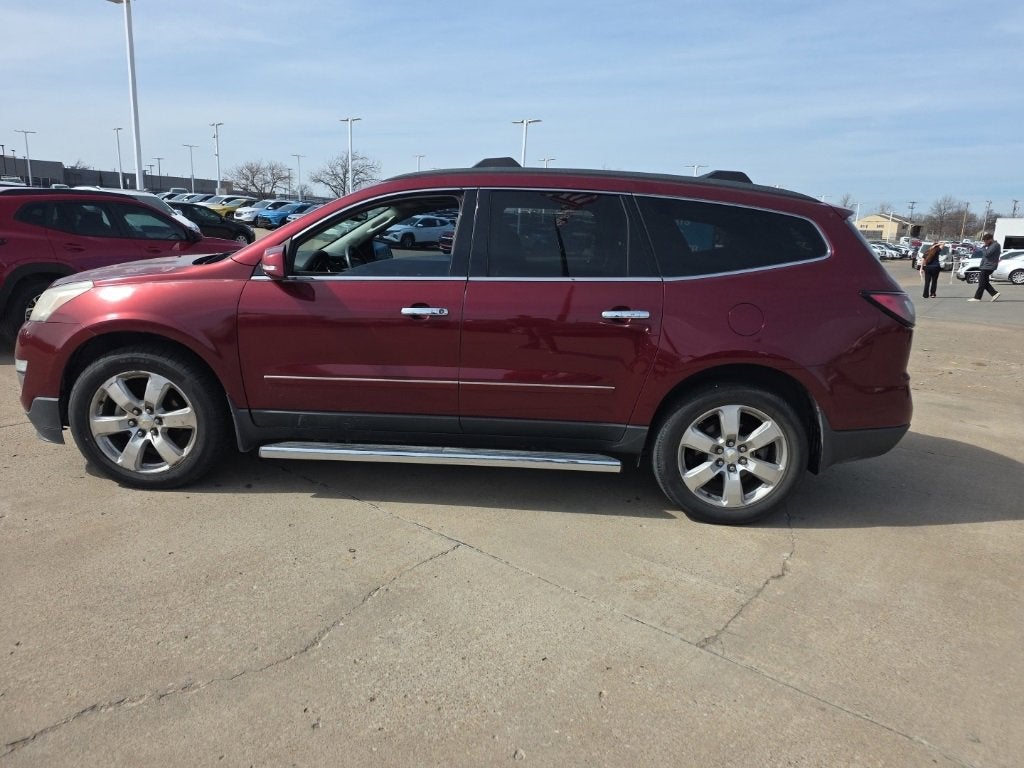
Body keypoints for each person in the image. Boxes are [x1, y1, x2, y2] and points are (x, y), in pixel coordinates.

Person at [969, 233, 1001, 302]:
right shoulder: (992, 245)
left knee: (981, 282)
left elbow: (987, 254)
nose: (985, 242)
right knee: (984, 282)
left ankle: (977, 297)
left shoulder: (995, 245)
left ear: (990, 239)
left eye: (985, 241)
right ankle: (994, 293)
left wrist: (983, 248)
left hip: (989, 266)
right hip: (986, 266)